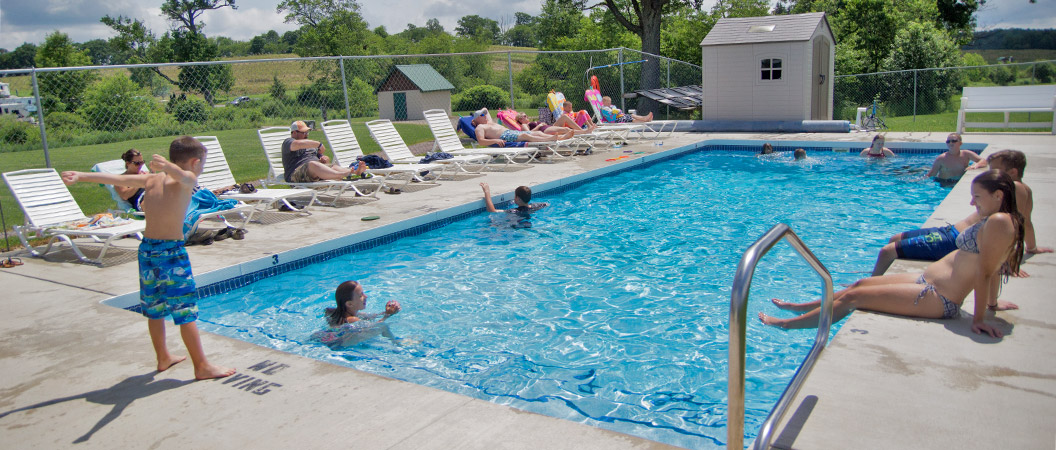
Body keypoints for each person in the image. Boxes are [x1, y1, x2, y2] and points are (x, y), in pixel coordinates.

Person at [761, 170, 1025, 338]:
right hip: (928, 280)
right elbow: (993, 264)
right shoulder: (995, 218)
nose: (972, 202)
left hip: (940, 297)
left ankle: (787, 324)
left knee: (854, 297)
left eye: (977, 196)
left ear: (998, 195)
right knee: (860, 284)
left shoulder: (1000, 222)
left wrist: (979, 318)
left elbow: (987, 270)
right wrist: (992, 305)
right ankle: (800, 307)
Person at [61, 137, 236, 379]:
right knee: (185, 310)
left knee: (155, 308)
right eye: (202, 163)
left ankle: (163, 357)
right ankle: (202, 366)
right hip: (171, 254)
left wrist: (82, 176)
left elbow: (118, 180)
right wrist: (167, 167)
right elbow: (182, 177)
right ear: (195, 162)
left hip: (147, 251)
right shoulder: (188, 180)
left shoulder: (151, 180)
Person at [870, 149, 1047, 276]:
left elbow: (1014, 226)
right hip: (950, 231)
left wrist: (1008, 260)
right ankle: (875, 275)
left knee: (888, 251)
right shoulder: (1015, 188)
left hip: (954, 241)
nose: (989, 173)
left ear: (1012, 172)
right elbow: (1027, 222)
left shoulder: (1014, 188)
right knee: (895, 238)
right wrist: (1032, 248)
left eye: (994, 169)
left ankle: (870, 284)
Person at [282, 120, 366, 183]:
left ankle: (354, 172)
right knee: (312, 164)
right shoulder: (288, 142)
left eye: (307, 132)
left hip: (314, 172)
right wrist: (318, 144)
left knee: (332, 166)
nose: (306, 135)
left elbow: (324, 160)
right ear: (294, 133)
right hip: (295, 175)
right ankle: (342, 176)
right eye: (303, 132)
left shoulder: (309, 146)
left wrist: (324, 159)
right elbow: (297, 145)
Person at [472, 109, 574, 147]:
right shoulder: (480, 127)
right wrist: (496, 140)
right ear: (477, 119)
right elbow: (481, 141)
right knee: (525, 135)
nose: (485, 116)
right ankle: (551, 138)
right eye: (481, 115)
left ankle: (560, 138)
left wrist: (481, 113)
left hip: (510, 132)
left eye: (484, 115)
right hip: (504, 136)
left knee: (538, 133)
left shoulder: (488, 122)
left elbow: (485, 109)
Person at [480, 182, 548, 229]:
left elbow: (492, 210)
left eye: (515, 196)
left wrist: (487, 191)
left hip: (516, 226)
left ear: (517, 198)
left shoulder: (514, 211)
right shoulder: (535, 207)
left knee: (492, 224)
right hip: (527, 224)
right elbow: (546, 204)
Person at [514, 112, 594, 136]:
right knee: (566, 129)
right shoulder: (524, 125)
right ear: (520, 119)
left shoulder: (527, 123)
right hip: (544, 130)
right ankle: (585, 132)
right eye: (525, 116)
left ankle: (582, 131)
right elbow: (528, 133)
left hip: (548, 127)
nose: (527, 116)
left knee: (564, 117)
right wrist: (539, 126)